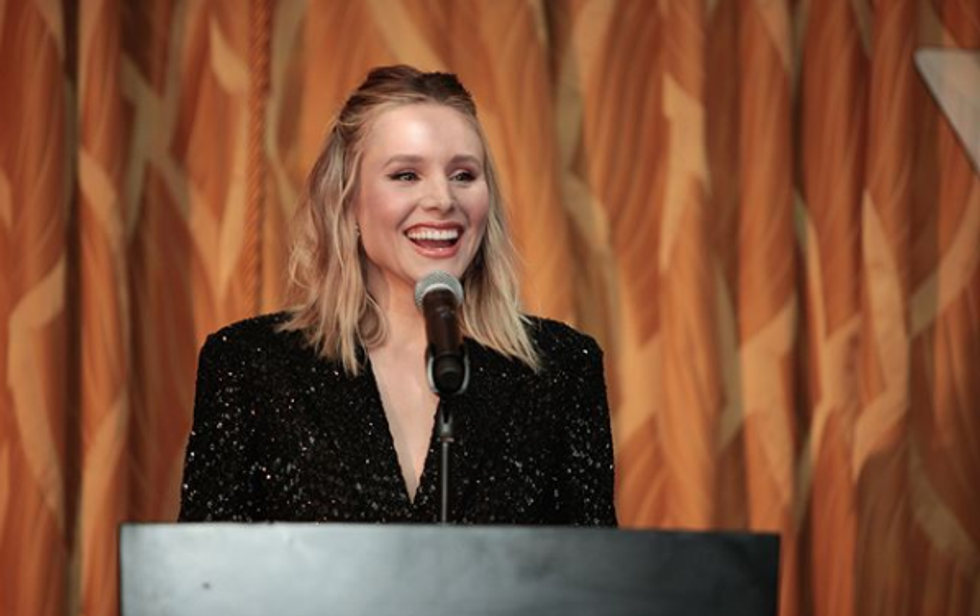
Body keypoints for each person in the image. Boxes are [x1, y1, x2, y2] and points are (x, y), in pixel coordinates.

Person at [178, 65, 616, 525]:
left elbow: (596, 567)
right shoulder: (251, 365)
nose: (442, 199)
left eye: (464, 175)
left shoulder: (561, 369)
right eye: (407, 175)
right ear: (347, 200)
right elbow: (206, 565)